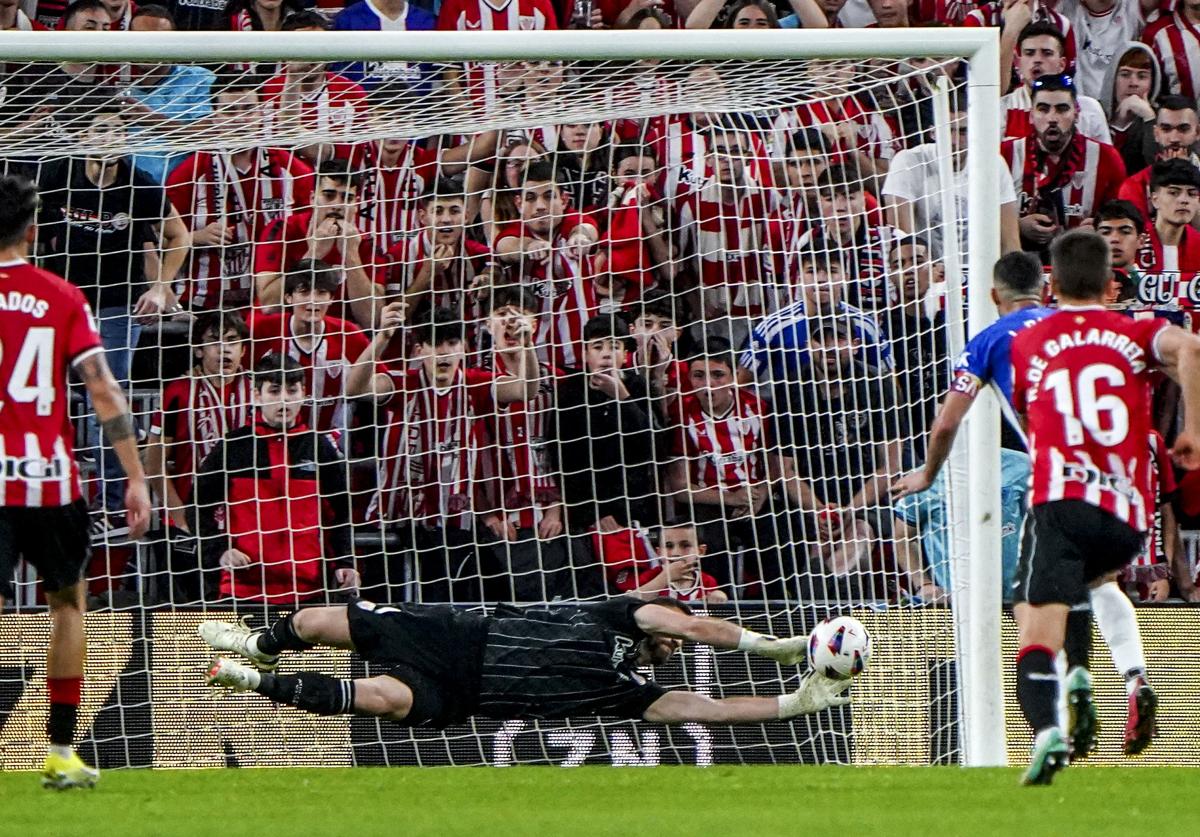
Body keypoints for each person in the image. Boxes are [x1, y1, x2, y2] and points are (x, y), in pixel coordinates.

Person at [891, 250, 1168, 758]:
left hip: (1059, 478)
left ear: (995, 296)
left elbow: (948, 421)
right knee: (1097, 581)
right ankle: (1132, 675)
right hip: (1121, 471)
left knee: (1039, 605)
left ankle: (1056, 721)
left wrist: (928, 474)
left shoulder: (991, 339)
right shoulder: (1078, 325)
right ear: (1046, 289)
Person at [1006, 229, 1200, 784]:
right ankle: (1116, 674)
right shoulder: (1135, 331)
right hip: (1127, 516)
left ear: (1052, 283)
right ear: (1113, 285)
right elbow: (1190, 348)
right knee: (1095, 581)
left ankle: (1050, 730)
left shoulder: (1030, 339)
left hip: (1061, 499)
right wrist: (1194, 431)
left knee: (1035, 619)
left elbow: (1030, 409)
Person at [0, 174, 151, 789]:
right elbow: (103, 389)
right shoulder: (62, 296)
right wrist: (135, 477)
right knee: (68, 604)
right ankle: (61, 751)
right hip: (51, 481)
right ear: (34, 230)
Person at [200, 595, 852, 728]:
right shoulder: (621, 613)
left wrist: (791, 701)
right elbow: (690, 623)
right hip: (449, 634)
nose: (677, 643)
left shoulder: (630, 693)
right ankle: (255, 644)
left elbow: (708, 708)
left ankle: (254, 679)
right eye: (676, 635)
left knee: (380, 698)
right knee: (314, 621)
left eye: (679, 646)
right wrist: (771, 646)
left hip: (460, 694)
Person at [36, 104, 188, 540]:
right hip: (61, 304)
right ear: (84, 136)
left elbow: (176, 236)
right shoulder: (58, 177)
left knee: (109, 389)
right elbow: (28, 232)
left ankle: (112, 500)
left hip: (118, 306)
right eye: (101, 130)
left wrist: (160, 286)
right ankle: (50, 492)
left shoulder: (139, 184)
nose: (110, 139)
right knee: (44, 390)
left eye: (118, 133)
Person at [349, 305, 539, 603]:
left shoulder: (476, 383)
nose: (444, 353)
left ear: (464, 347)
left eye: (451, 343)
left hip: (453, 523)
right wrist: (382, 339)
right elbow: (354, 388)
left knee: (447, 604)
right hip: (397, 515)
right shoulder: (402, 382)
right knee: (386, 606)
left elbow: (525, 390)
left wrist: (527, 346)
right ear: (420, 350)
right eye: (435, 344)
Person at [194, 353, 360, 609]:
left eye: (292, 391)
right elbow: (196, 506)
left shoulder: (319, 448)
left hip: (308, 592)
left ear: (304, 394)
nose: (284, 399)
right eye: (274, 391)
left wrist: (346, 563)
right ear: (257, 395)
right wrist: (220, 551)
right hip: (242, 590)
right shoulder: (233, 447)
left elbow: (340, 513)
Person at [166, 73, 315, 311]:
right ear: (214, 117)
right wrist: (196, 237)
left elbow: (311, 231)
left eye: (248, 109)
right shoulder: (188, 175)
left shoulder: (293, 172)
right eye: (230, 111)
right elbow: (155, 241)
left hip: (274, 303)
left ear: (262, 113)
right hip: (204, 304)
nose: (240, 119)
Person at [146, 311, 255, 603]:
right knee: (192, 611)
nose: (224, 349)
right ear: (198, 349)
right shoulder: (179, 392)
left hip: (247, 523)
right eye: (214, 342)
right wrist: (180, 515)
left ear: (244, 349)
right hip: (191, 524)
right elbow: (153, 460)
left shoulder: (258, 391)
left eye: (233, 341)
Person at [1000, 74, 1126, 256]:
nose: (1052, 118)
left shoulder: (1107, 159)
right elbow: (979, 220)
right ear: (1030, 116)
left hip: (1083, 266)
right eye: (1043, 109)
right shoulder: (1004, 156)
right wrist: (1015, 227)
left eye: (1061, 109)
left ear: (1076, 114)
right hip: (1018, 270)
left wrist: (1100, 231)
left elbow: (1122, 222)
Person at [248, 260, 375, 436]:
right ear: (288, 297)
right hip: (268, 436)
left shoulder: (348, 334)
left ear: (331, 299)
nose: (313, 300)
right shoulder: (262, 331)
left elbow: (380, 379)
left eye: (321, 293)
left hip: (329, 443)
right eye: (304, 292)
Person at [254, 158, 382, 328]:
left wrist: (351, 256)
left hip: (337, 336)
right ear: (312, 198)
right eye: (329, 195)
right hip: (281, 332)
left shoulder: (366, 244)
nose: (337, 205)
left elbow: (372, 319)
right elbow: (269, 306)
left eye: (347, 198)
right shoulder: (282, 230)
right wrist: (313, 254)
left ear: (356, 205)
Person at [120, 5, 216, 183]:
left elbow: (210, 134)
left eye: (157, 40)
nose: (148, 48)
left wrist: (152, 120)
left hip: (187, 192)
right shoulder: (123, 91)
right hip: (133, 195)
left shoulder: (198, 79)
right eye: (141, 39)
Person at [1001, 22, 1111, 143]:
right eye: (1029, 53)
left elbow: (1105, 159)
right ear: (1017, 62)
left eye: (1047, 53)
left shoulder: (1089, 109)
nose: (1037, 60)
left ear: (1062, 64)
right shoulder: (999, 110)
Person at [1115, 96, 1200, 224]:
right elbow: (1137, 235)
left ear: (1198, 132)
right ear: (1156, 134)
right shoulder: (1134, 186)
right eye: (1166, 129)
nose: (1174, 138)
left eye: (1183, 129)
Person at [626, 519, 729, 603]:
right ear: (659, 552)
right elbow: (629, 601)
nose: (676, 553)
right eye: (668, 546)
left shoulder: (707, 581)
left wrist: (718, 596)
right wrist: (665, 577)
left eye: (685, 545)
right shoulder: (650, 577)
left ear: (701, 551)